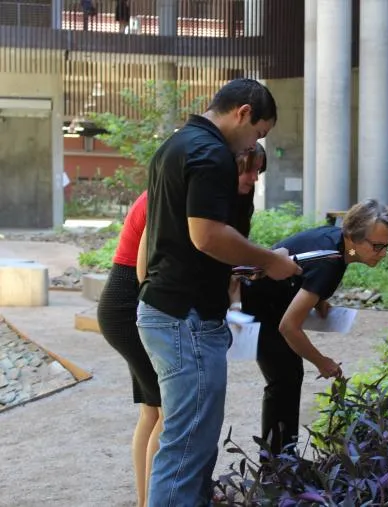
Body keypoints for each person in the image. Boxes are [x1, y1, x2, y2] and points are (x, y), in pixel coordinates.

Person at [135, 78, 302, 507]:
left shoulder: (177, 145)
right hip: (185, 317)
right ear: (243, 113)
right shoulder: (211, 153)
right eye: (258, 134)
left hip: (168, 308)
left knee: (190, 440)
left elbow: (182, 237)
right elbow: (207, 236)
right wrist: (270, 260)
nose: (253, 145)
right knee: (188, 445)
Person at [238, 198, 388, 456]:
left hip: (267, 302)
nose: (383, 254)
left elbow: (305, 268)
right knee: (285, 378)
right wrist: (322, 362)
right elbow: (289, 327)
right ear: (354, 238)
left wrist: (318, 297)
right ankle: (277, 465)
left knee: (288, 377)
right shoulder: (331, 262)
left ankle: (280, 460)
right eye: (377, 246)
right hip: (258, 306)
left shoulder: (336, 243)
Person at [96, 191, 158, 507]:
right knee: (166, 411)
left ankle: (145, 501)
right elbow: (143, 269)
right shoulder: (162, 195)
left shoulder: (157, 191)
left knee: (151, 410)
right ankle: (153, 501)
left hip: (122, 304)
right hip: (128, 305)